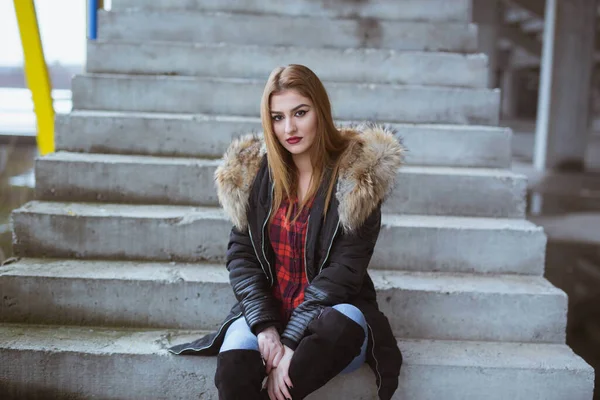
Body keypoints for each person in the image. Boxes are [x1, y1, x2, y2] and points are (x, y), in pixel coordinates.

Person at [169, 64, 404, 400]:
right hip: (271, 314)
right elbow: (242, 256)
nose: (289, 127)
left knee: (341, 324)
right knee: (235, 366)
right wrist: (264, 327)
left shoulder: (357, 181)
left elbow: (344, 272)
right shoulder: (258, 177)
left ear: (320, 112)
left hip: (332, 322)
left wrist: (292, 341)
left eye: (300, 113)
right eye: (277, 117)